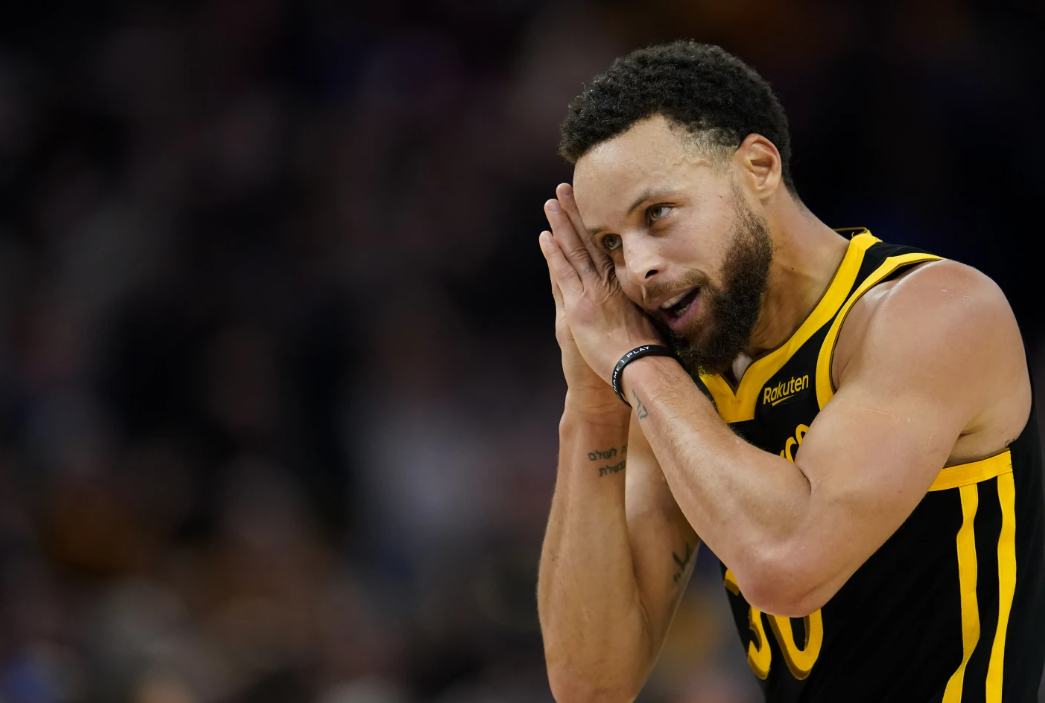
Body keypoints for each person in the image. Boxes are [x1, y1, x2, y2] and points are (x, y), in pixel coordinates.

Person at [535, 40, 1045, 703]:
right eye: (609, 245)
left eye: (655, 215)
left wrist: (633, 365)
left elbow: (786, 566)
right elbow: (588, 683)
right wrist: (591, 401)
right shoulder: (675, 375)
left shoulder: (931, 312)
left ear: (757, 166)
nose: (636, 269)